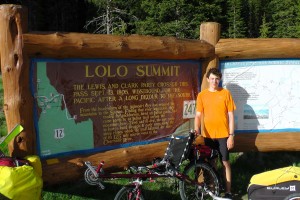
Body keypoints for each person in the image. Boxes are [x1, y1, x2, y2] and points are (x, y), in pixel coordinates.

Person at [194, 67, 236, 199]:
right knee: (210, 163)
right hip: (208, 136)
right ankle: (213, 190)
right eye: (212, 78)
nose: (214, 81)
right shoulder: (202, 95)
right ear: (207, 79)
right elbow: (198, 115)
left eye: (217, 79)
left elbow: (231, 116)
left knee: (225, 162)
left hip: (223, 135)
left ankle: (228, 191)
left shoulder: (225, 93)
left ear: (220, 79)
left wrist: (231, 135)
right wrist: (197, 129)